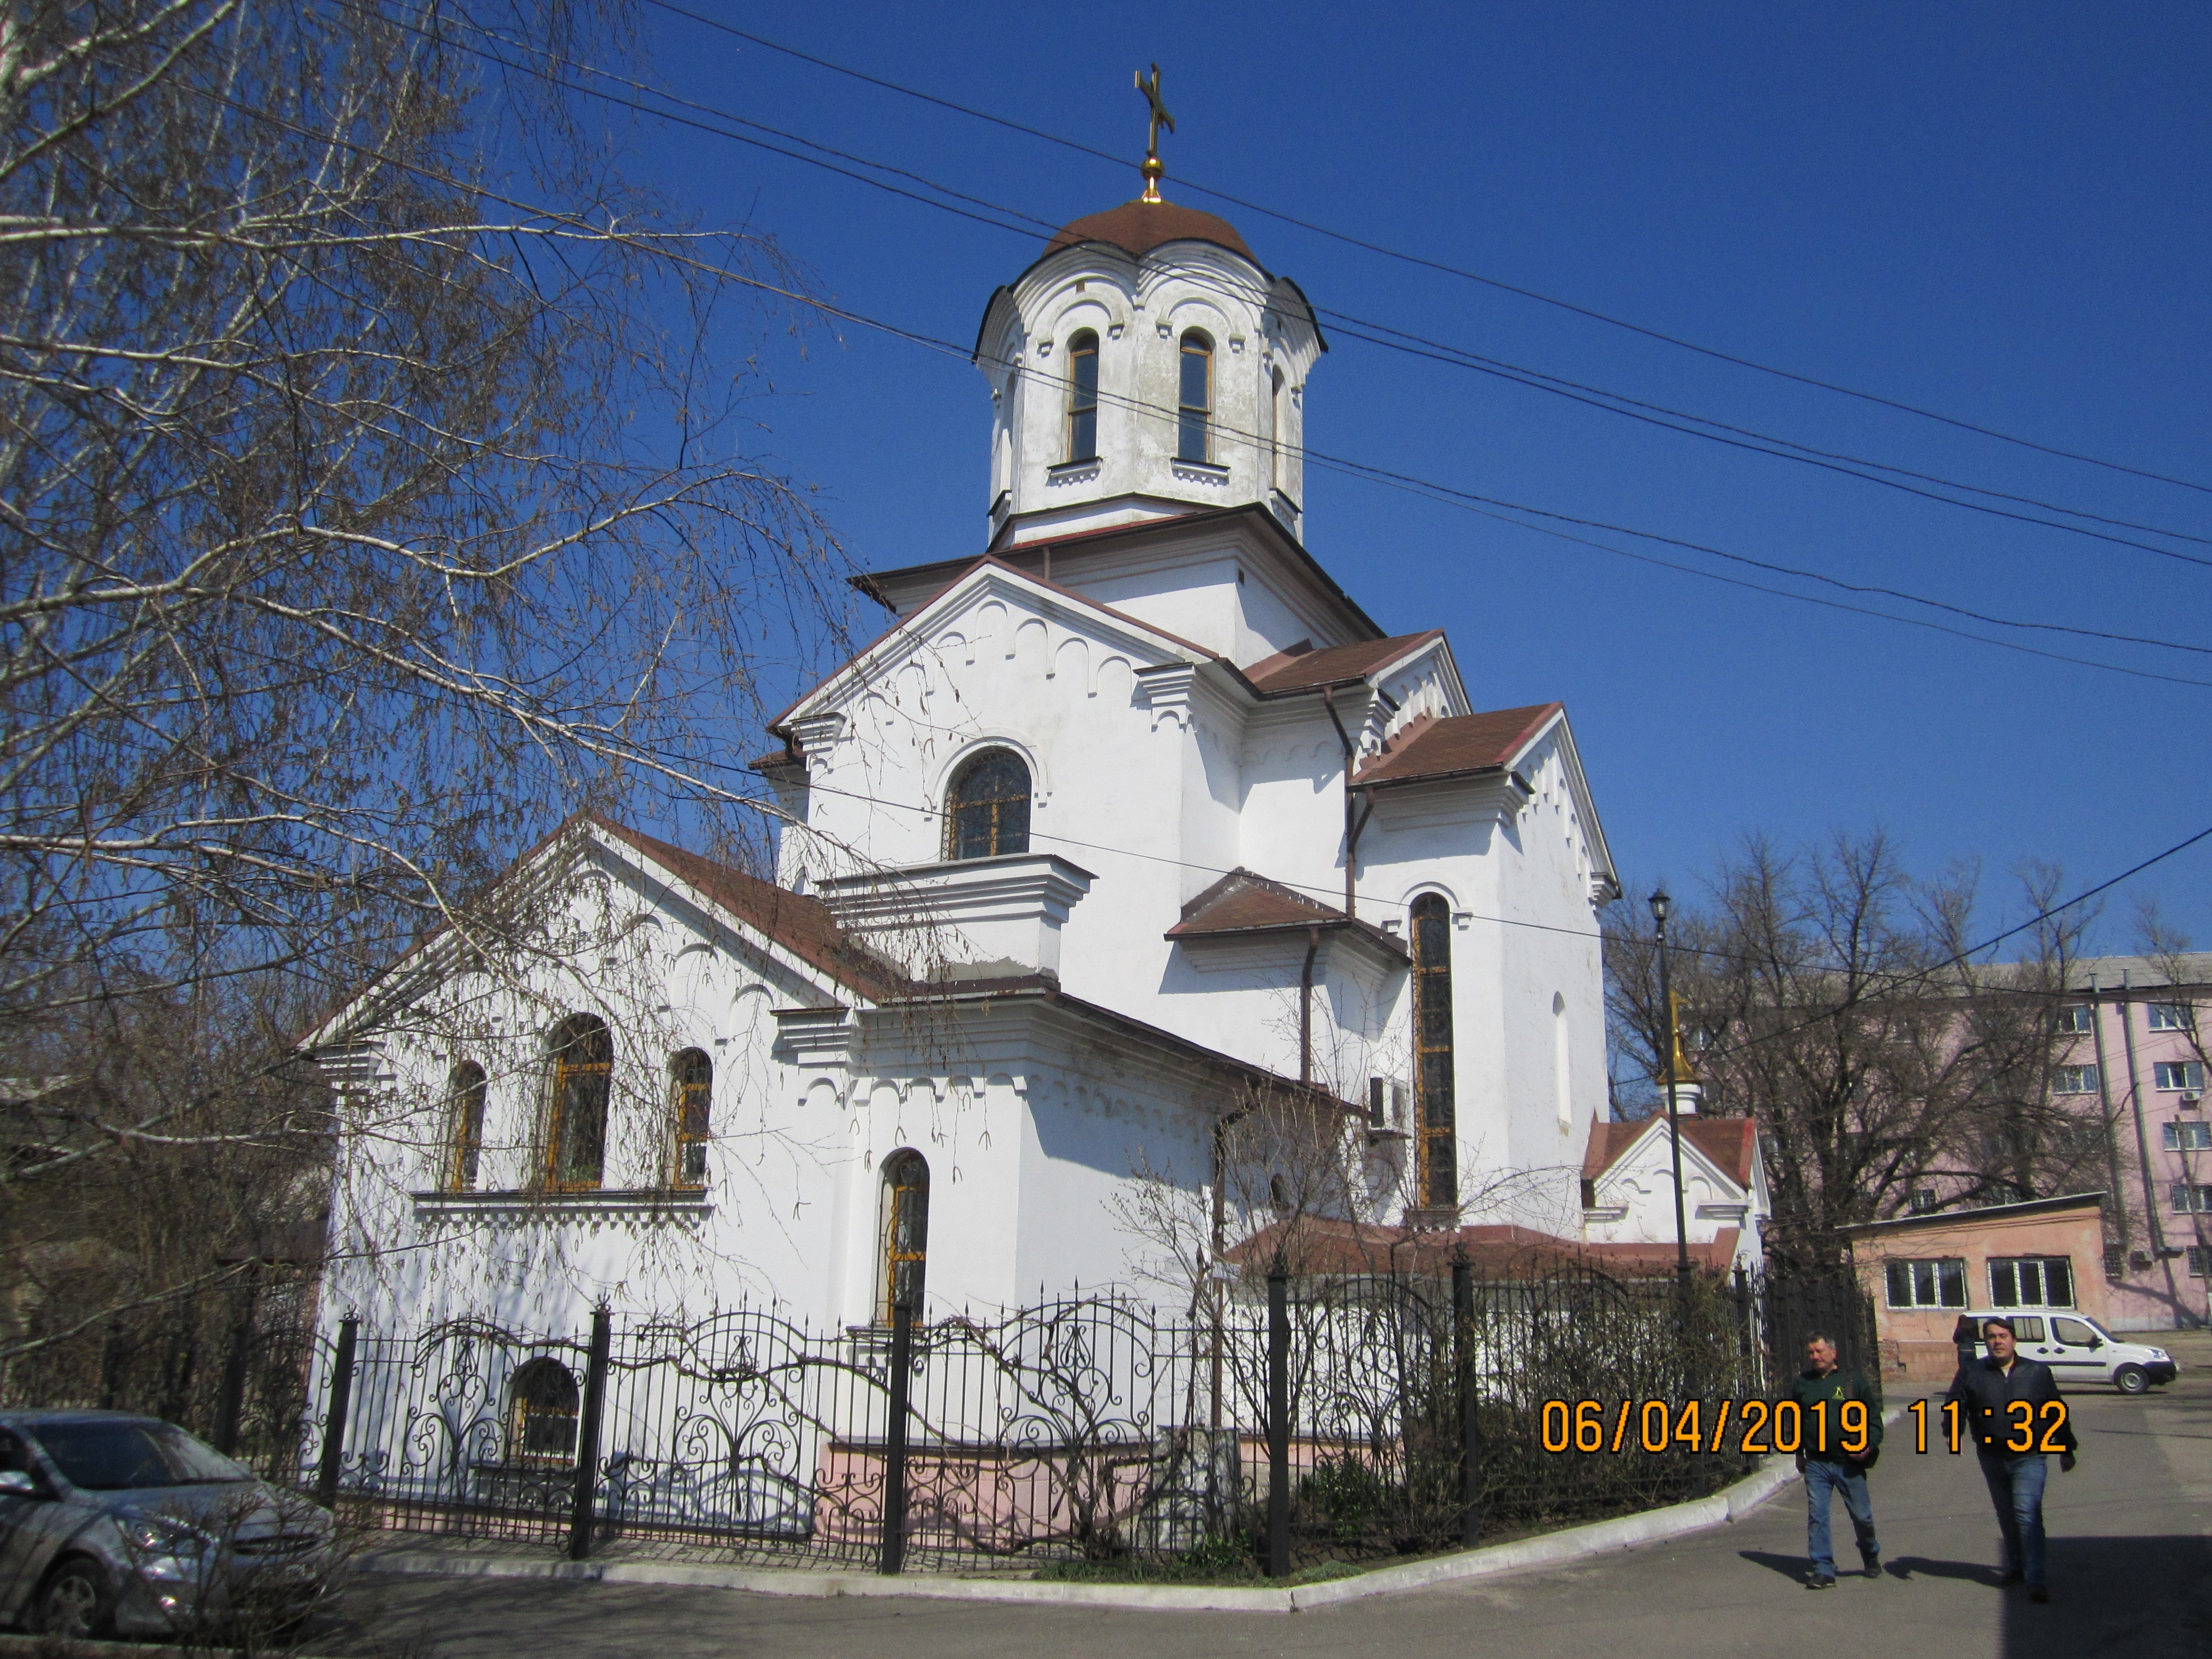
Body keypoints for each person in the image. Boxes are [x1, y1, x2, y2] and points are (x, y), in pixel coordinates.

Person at [1943, 1314, 2078, 1603]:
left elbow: (2056, 1410)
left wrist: (2066, 1448)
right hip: (1992, 1456)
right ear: (1986, 1342)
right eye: (1992, 1337)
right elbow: (1956, 1403)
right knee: (2007, 1514)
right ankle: (2017, 1567)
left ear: (2014, 1340)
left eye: (2003, 1336)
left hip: (2030, 1455)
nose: (1997, 1342)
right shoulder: (1972, 1372)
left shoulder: (2037, 1373)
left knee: (2027, 1513)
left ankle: (2036, 1578)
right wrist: (1953, 1432)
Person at [1789, 1331, 1883, 1588]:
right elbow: (1794, 1421)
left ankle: (1870, 1553)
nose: (1815, 1357)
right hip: (1817, 1463)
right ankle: (1823, 1568)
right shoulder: (1803, 1384)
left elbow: (1874, 1421)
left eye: (1820, 1352)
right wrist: (1798, 1453)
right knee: (1818, 1516)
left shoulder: (1853, 1383)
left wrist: (1868, 1447)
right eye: (1811, 1353)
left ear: (1833, 1353)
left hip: (1849, 1464)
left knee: (1862, 1517)